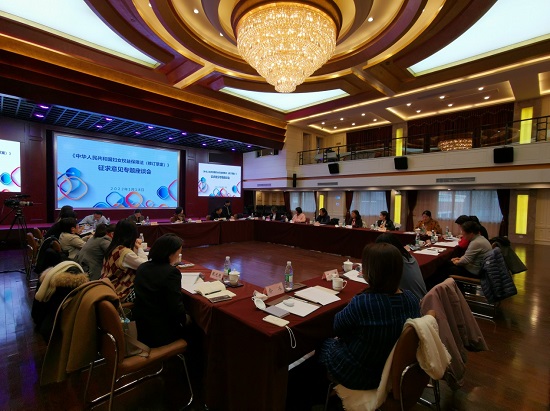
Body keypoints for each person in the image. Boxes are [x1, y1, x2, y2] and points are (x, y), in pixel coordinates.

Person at [319, 243, 421, 390]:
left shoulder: (364, 303)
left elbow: (337, 326)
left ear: (370, 272)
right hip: (393, 370)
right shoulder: (411, 299)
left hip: (362, 375)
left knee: (322, 344)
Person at [134, 234, 189, 347]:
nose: (178, 256)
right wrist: (184, 320)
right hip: (161, 331)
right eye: (178, 253)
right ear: (170, 254)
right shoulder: (171, 273)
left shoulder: (142, 267)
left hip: (142, 326)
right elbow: (176, 306)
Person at [100, 219, 147, 301]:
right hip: (120, 292)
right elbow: (145, 265)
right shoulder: (125, 253)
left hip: (107, 289)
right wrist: (140, 248)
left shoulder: (113, 248)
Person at [375, 233, 427, 300]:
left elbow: (379, 282)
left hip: (413, 302)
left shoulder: (394, 262)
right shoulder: (408, 256)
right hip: (422, 298)